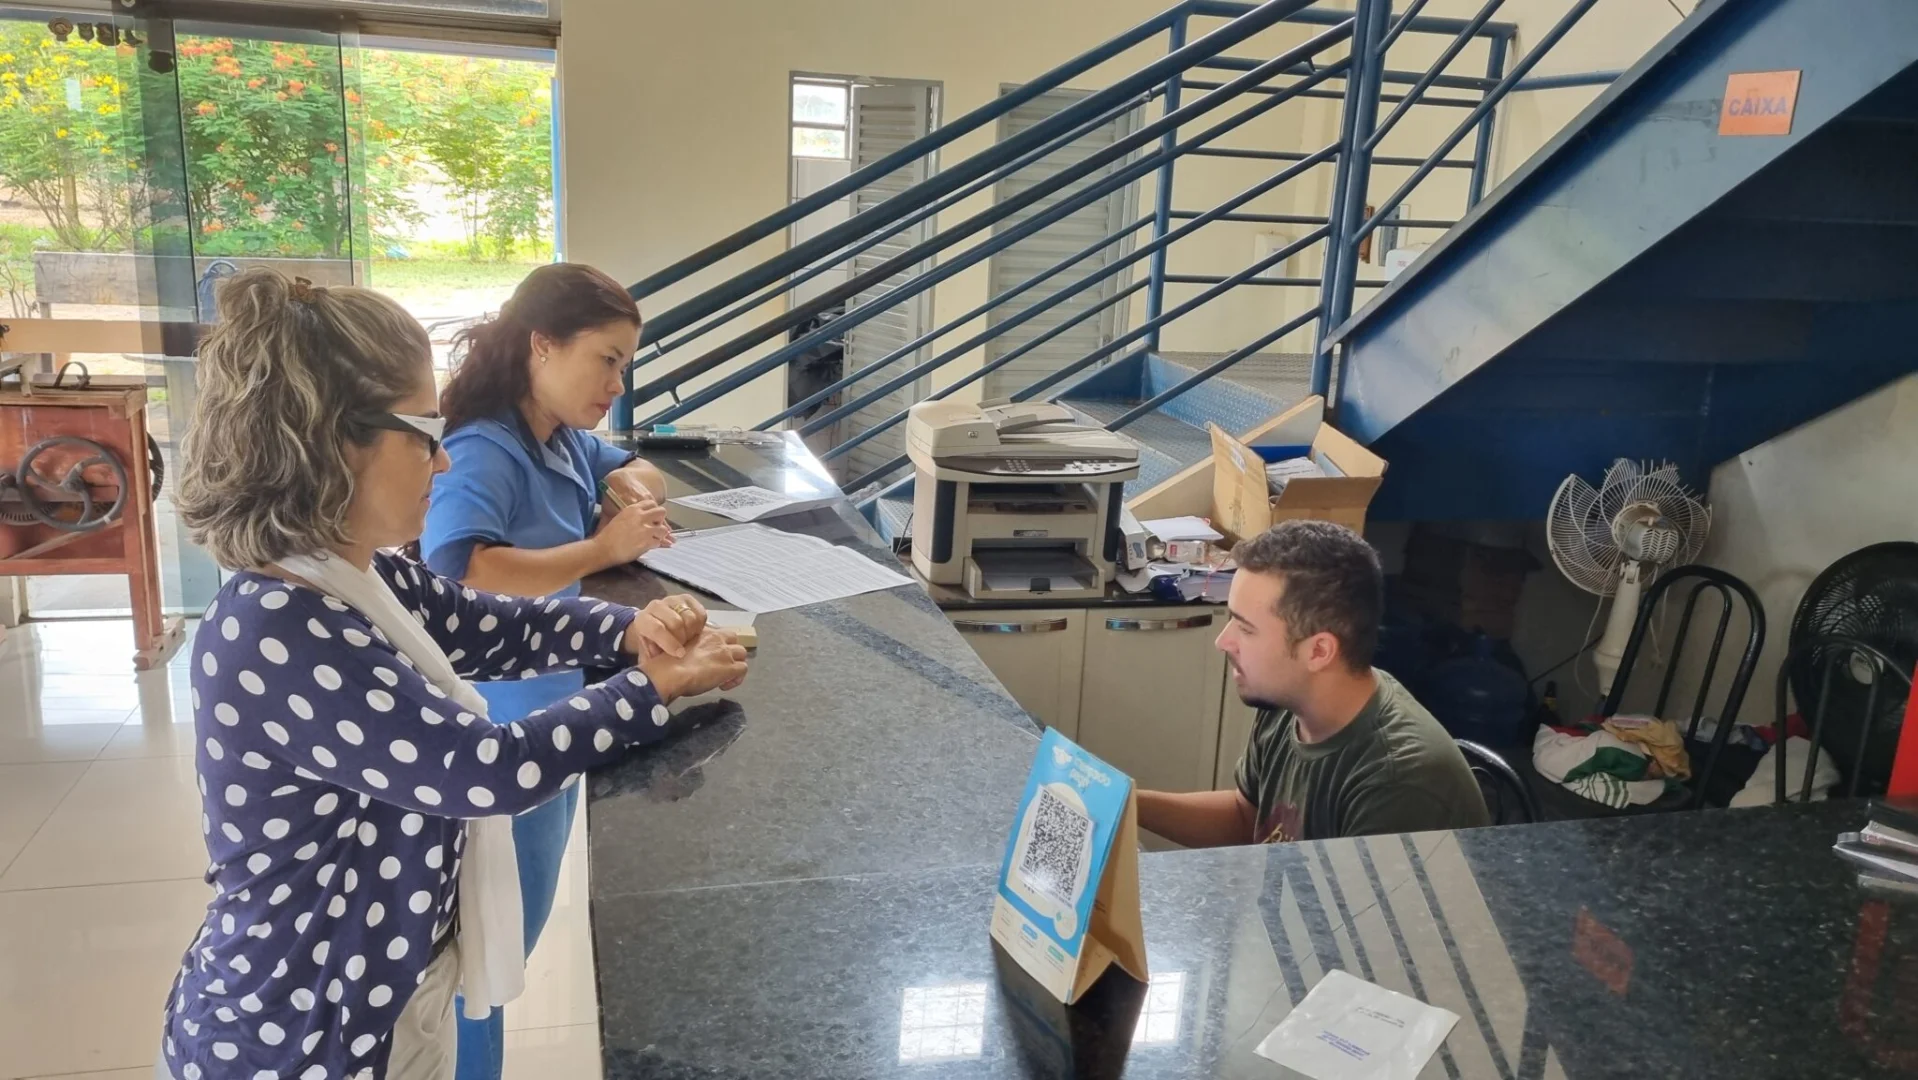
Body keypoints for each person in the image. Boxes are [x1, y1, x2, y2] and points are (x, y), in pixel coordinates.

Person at [160, 268, 749, 1080]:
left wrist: (628, 630)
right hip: (306, 1035)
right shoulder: (279, 629)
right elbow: (483, 768)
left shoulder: (356, 571)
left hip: (384, 1000)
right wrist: (652, 689)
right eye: (423, 434)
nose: (442, 463)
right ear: (332, 440)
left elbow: (494, 625)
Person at [416, 262, 673, 1078]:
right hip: (503, 722)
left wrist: (628, 485)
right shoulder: (483, 449)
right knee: (486, 956)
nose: (617, 384)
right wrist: (600, 548)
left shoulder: (555, 435)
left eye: (625, 364)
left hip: (551, 706)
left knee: (507, 939)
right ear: (541, 345)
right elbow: (460, 571)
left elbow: (635, 467)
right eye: (606, 360)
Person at [1137, 520, 1487, 847]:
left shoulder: (1402, 782)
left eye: (1245, 628)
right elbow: (1248, 818)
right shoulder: (1287, 700)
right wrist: (1128, 804)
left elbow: (1351, 897)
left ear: (1319, 651)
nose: (1223, 642)